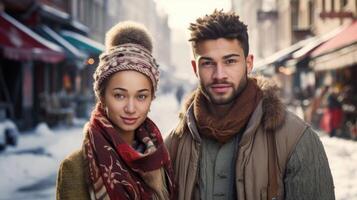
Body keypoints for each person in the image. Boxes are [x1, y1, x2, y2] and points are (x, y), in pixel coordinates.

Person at [165, 10, 335, 200]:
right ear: (195, 69)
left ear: (248, 63)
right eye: (208, 63)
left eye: (230, 61)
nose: (219, 74)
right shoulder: (174, 145)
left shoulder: (295, 139)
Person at [56, 21, 175, 200]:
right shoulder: (75, 168)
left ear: (152, 99)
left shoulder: (161, 160)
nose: (130, 108)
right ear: (102, 97)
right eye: (119, 95)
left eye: (141, 96)